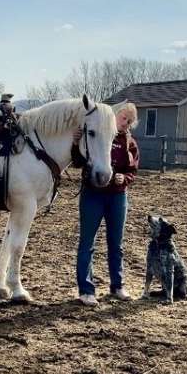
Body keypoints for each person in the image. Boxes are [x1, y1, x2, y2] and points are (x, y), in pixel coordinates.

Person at [71, 100, 140, 306]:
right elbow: (77, 162)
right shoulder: (98, 134)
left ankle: (117, 286)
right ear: (113, 115)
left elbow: (133, 170)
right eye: (124, 117)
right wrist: (76, 143)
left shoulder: (130, 143)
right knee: (87, 243)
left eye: (130, 121)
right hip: (93, 194)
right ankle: (86, 290)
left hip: (117, 196)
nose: (126, 123)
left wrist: (124, 179)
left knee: (116, 243)